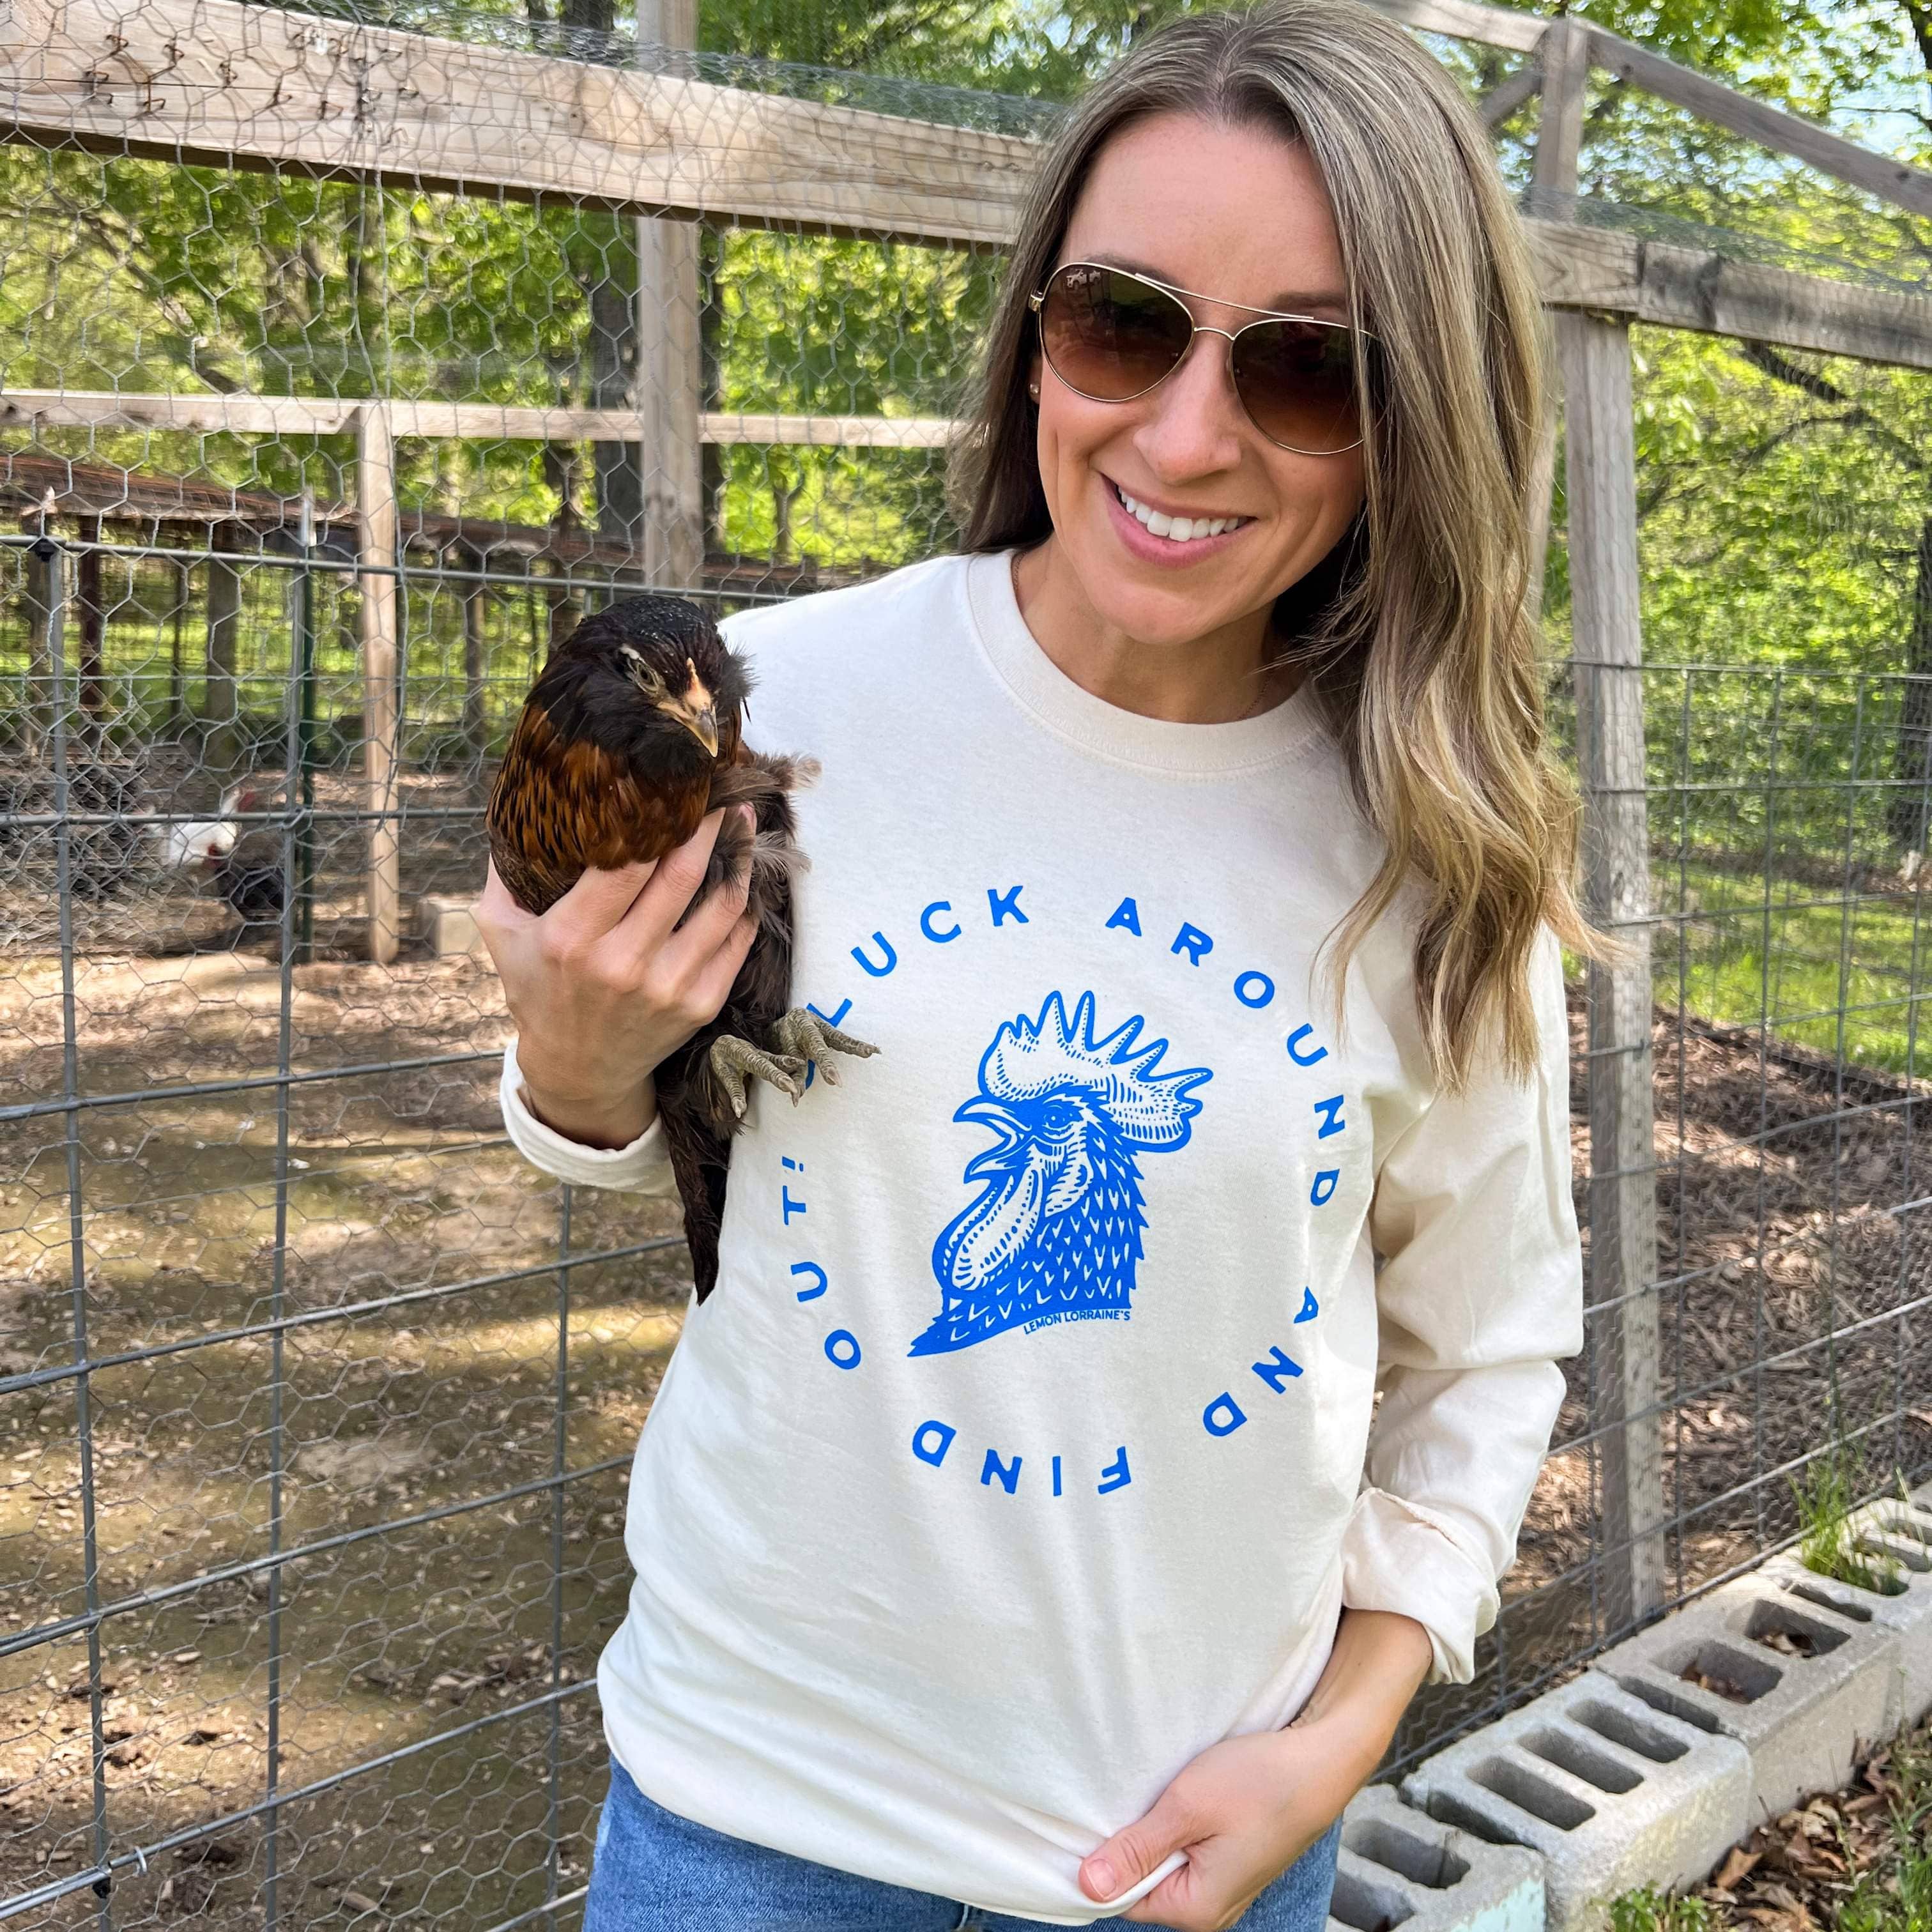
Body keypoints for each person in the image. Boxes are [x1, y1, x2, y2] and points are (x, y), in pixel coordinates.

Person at [476, 2, 1595, 1925]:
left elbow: (1486, 1349)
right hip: (752, 1821)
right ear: (1034, 337)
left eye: (1308, 367)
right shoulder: (767, 710)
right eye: (1125, 325)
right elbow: (610, 1119)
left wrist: (1334, 1744)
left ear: (1418, 417)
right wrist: (573, 1064)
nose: (1187, 435)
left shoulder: (1440, 847)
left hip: (1194, 1849)